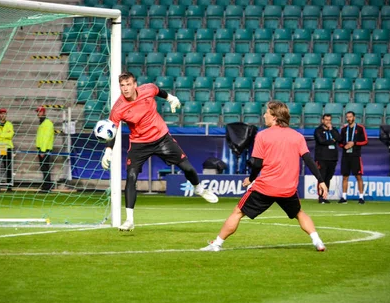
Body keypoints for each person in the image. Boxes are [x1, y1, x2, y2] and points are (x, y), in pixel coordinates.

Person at [201, 101, 328, 252]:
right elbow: (308, 160)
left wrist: (251, 179)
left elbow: (257, 164)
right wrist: (321, 180)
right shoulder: (297, 136)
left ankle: (216, 244)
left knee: (238, 212)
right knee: (299, 213)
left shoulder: (262, 136)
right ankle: (318, 241)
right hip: (287, 189)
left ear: (274, 116)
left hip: (265, 187)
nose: (264, 115)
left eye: (267, 112)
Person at [101, 71, 218, 232]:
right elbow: (112, 130)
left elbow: (159, 91)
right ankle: (129, 220)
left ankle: (198, 188)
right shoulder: (118, 108)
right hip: (139, 144)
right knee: (131, 177)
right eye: (122, 85)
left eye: (128, 84)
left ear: (135, 85)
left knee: (188, 168)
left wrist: (171, 98)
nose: (126, 88)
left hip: (161, 138)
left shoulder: (148, 89)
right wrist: (108, 150)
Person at [338, 111, 368, 204]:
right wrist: (344, 146)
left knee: (358, 176)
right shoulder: (343, 129)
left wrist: (354, 143)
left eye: (350, 117)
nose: (349, 119)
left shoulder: (360, 128)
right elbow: (339, 142)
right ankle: (344, 197)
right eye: (347, 117)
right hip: (346, 155)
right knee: (345, 176)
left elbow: (365, 141)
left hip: (356, 155)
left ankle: (361, 197)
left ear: (354, 117)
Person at [313, 113, 340, 204]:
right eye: (326, 120)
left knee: (328, 177)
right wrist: (332, 140)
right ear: (322, 120)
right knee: (322, 177)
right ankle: (320, 197)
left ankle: (325, 195)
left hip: (332, 158)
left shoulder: (333, 130)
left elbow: (339, 138)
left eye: (329, 120)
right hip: (322, 157)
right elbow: (321, 141)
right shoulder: (318, 130)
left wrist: (331, 130)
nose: (328, 122)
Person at [35, 106, 54, 193]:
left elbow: (46, 138)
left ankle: (47, 186)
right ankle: (47, 185)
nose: (38, 114)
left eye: (39, 112)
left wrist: (43, 150)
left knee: (45, 168)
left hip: (45, 149)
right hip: (42, 148)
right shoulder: (43, 123)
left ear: (43, 112)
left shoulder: (47, 123)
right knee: (44, 168)